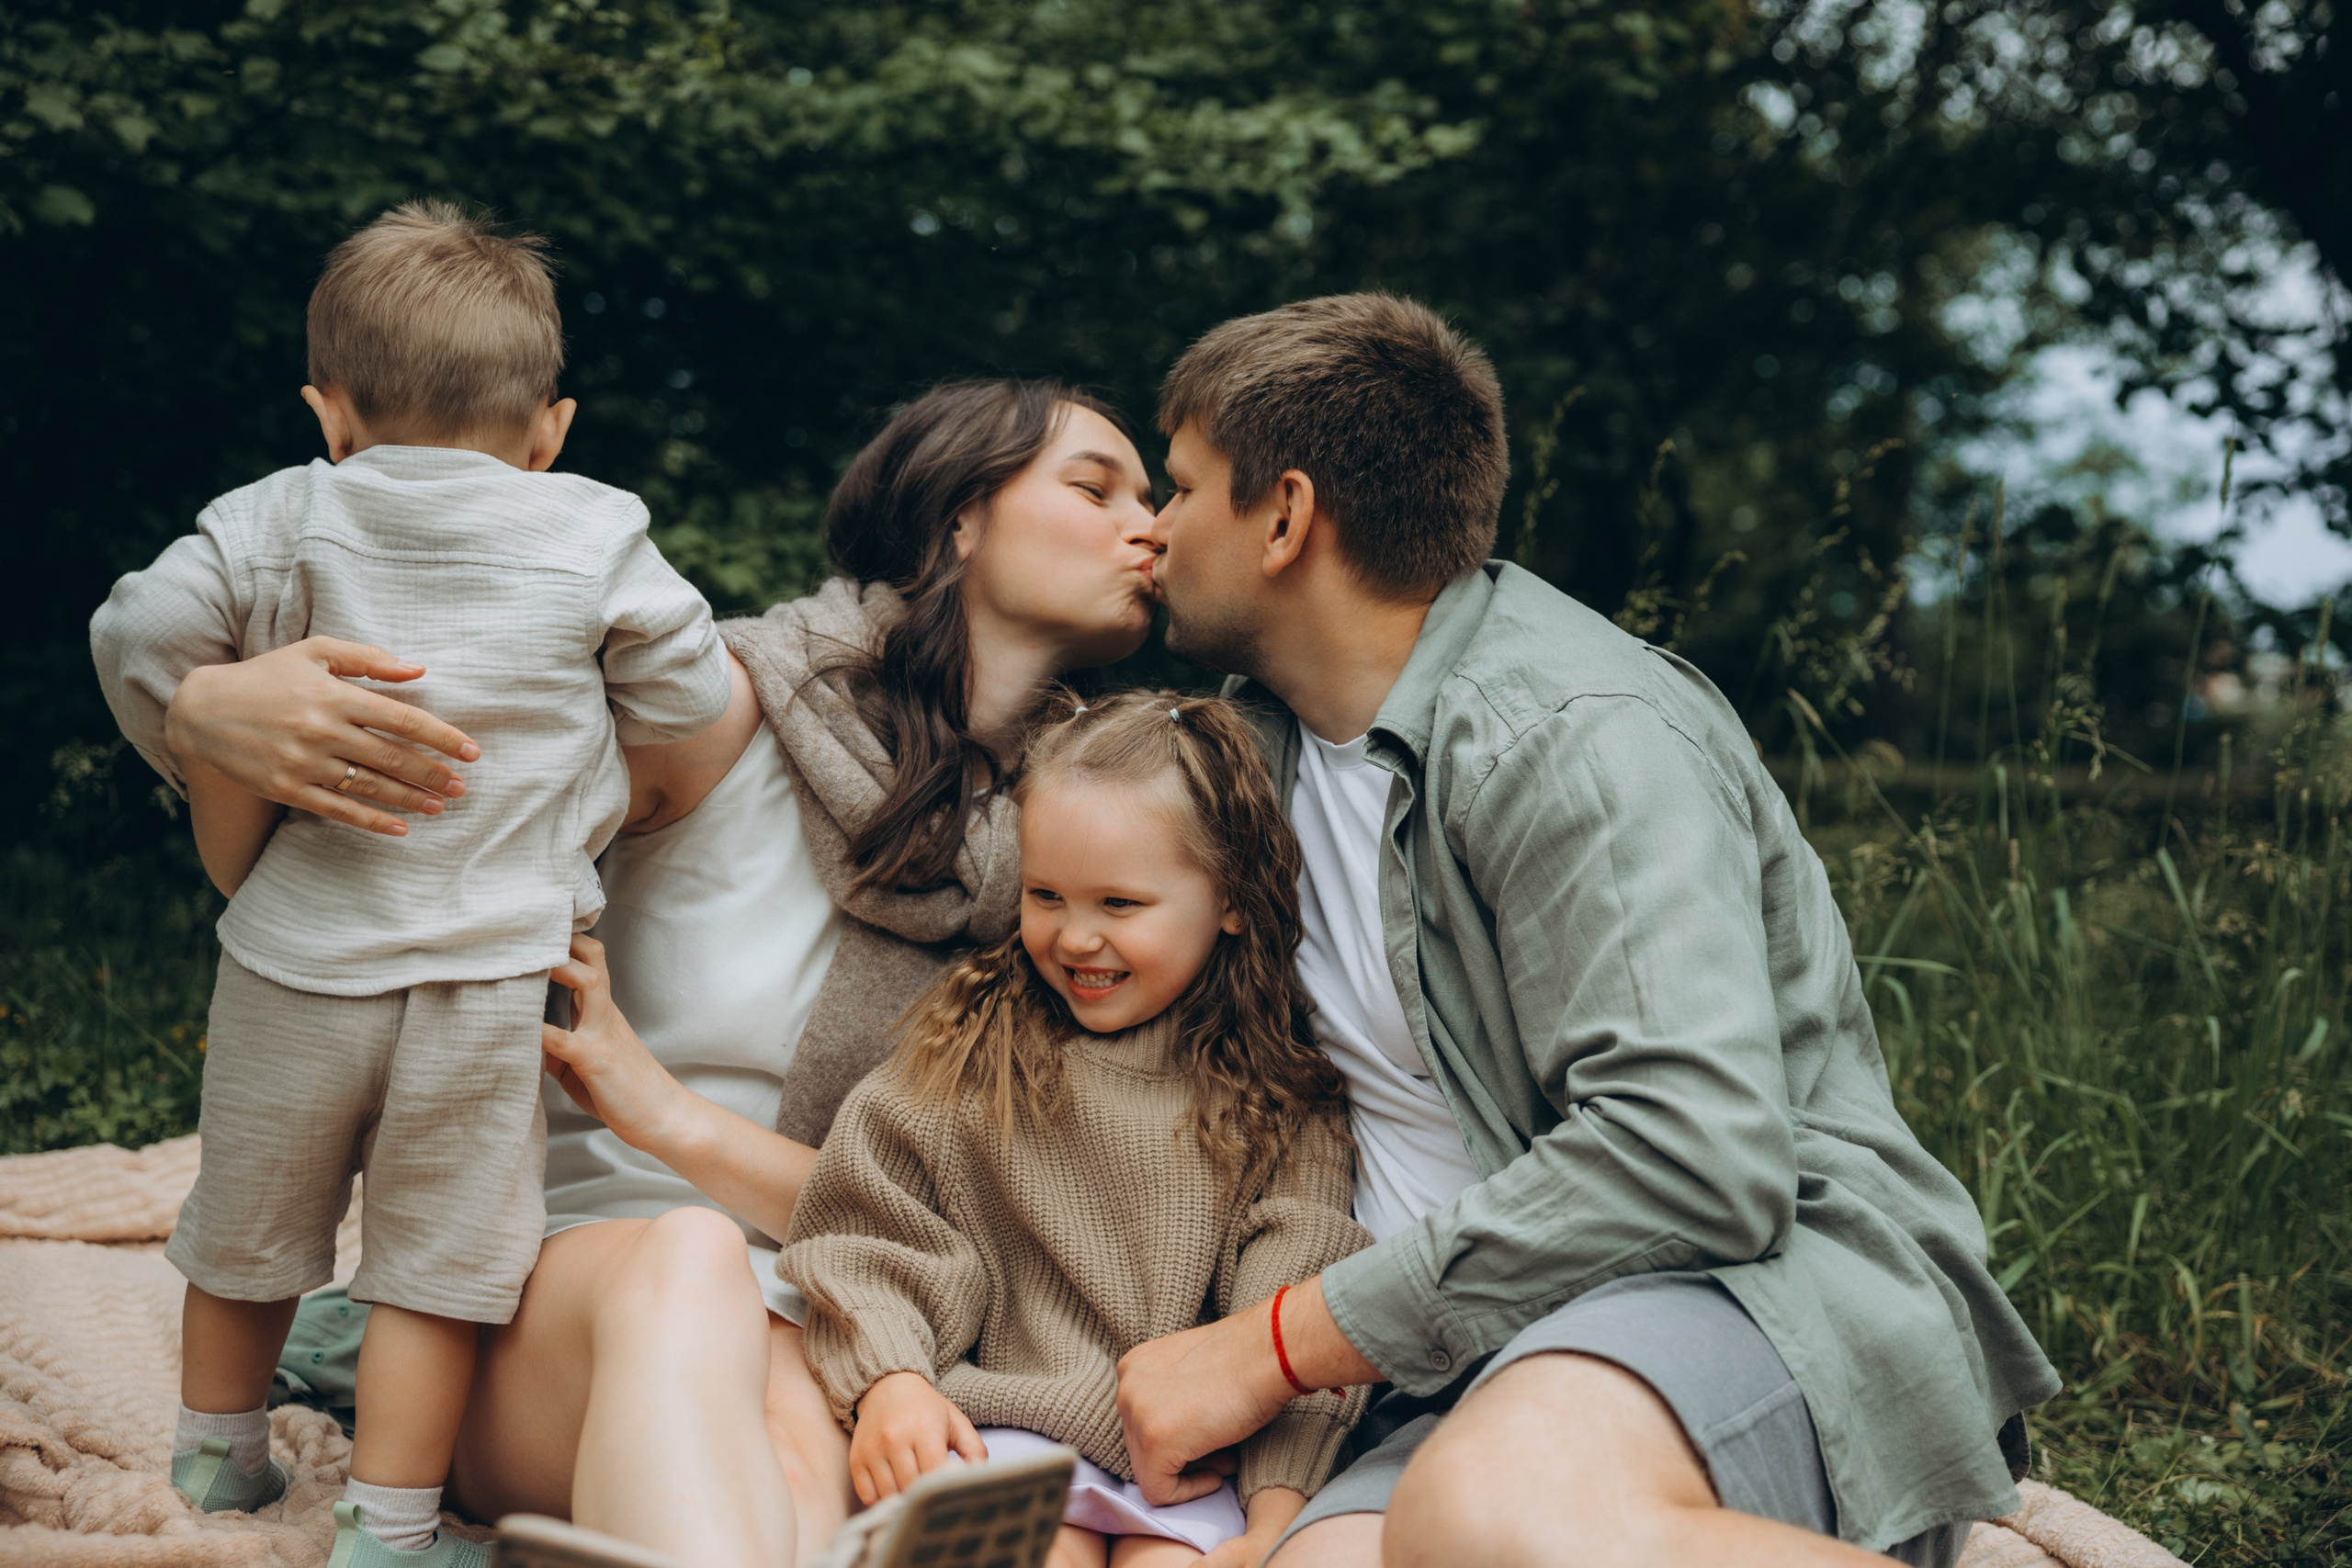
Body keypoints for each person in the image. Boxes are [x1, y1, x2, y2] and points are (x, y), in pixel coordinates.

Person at [90, 378, 1166, 1568]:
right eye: (1098, 488)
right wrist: (202, 713)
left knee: (790, 1462)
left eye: (1156, 496)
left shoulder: (1082, 875)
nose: (1152, 523)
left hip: (849, 1311)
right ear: (959, 518)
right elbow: (341, 868)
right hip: (536, 1295)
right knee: (693, 1258)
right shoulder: (721, 716)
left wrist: (666, 1111)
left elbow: (965, 1218)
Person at [1110, 293, 2064, 1567]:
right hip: (1453, 1362)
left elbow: (1694, 1156)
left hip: (1750, 1290)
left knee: (1494, 1517)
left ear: (1283, 517)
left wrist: (1276, 1343)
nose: (1152, 530)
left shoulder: (1573, 736)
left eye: (1178, 488)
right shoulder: (1252, 743)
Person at [86, 202, 734, 1567]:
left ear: (327, 412)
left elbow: (138, 629)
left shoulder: (276, 513)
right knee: (436, 1266)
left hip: (291, 960)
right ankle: (388, 1531)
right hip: (487, 975)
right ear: (550, 428)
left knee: (246, 1222)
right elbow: (688, 686)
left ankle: (217, 1463)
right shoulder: (593, 526)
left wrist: (190, 724)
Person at [765, 689, 1372, 1568]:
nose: (1077, 937)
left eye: (1119, 904)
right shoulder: (976, 1048)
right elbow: (870, 1226)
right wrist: (890, 1378)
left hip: (1192, 1476)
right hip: (999, 1434)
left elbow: (1296, 1314)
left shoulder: (1283, 1103)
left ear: (1232, 899)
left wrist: (1275, 1521)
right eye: (1046, 894)